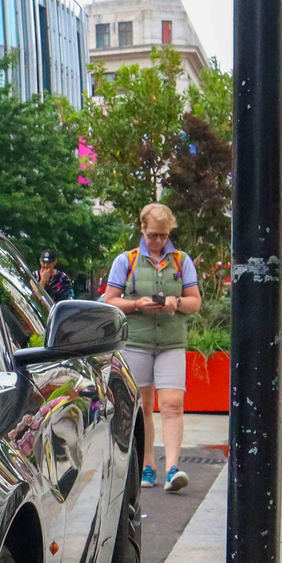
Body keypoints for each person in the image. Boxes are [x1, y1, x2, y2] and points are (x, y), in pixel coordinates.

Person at [100, 203, 203, 493]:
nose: (158, 241)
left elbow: (195, 301)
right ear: (142, 229)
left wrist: (177, 303)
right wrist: (135, 304)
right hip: (138, 341)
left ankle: (173, 467)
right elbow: (109, 299)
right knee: (143, 405)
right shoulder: (127, 260)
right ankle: (148, 463)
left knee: (172, 404)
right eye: (153, 235)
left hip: (171, 341)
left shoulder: (182, 261)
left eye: (163, 235)